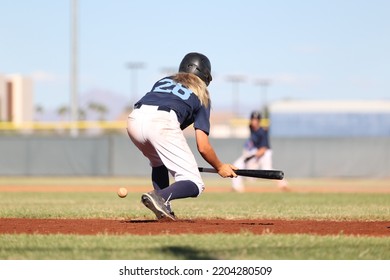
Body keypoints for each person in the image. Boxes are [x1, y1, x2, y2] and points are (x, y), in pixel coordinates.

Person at [127, 52, 237, 221]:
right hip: (161, 121)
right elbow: (203, 146)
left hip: (134, 119)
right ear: (206, 76)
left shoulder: (164, 81)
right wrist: (220, 166)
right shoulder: (202, 93)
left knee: (159, 163)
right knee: (195, 183)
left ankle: (164, 210)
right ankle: (160, 197)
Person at [231, 111, 288, 192]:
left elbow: (263, 150)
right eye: (253, 119)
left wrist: (252, 157)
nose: (254, 121)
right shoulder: (251, 127)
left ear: (259, 121)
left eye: (256, 120)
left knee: (267, 169)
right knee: (238, 164)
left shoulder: (262, 132)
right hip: (255, 151)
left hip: (264, 152)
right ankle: (237, 187)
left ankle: (283, 184)